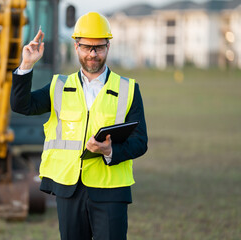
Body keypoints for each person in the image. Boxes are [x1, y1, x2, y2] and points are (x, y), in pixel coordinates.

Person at [11, 12, 148, 240]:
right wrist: (26, 64)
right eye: (87, 47)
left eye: (99, 47)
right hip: (68, 189)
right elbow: (21, 105)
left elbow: (140, 142)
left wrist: (110, 151)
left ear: (108, 46)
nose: (93, 54)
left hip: (110, 191)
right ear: (76, 47)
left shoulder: (129, 89)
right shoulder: (58, 86)